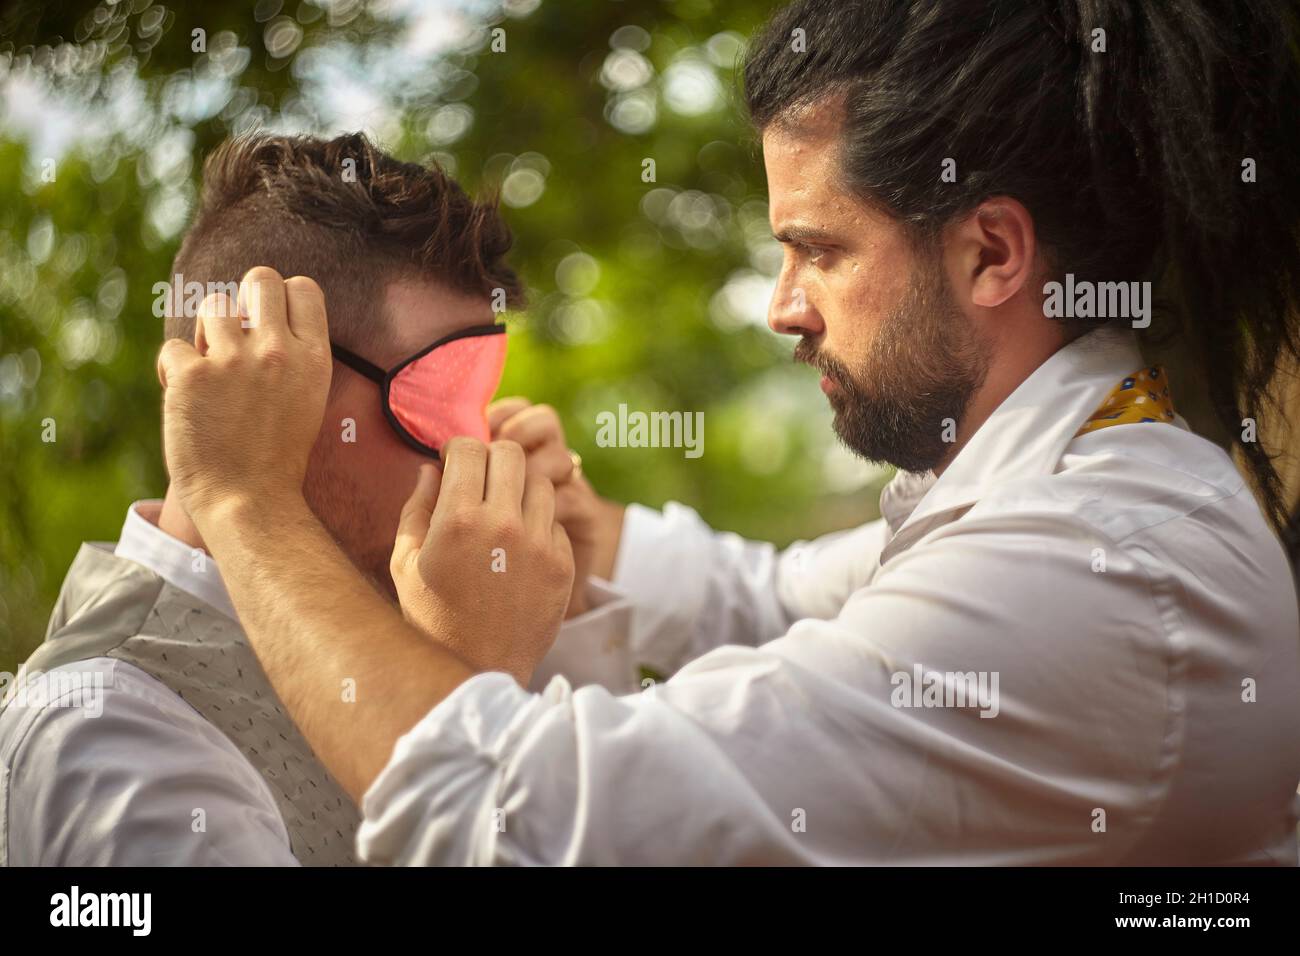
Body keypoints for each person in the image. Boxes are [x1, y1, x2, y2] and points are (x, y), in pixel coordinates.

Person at [156, 0, 1300, 864]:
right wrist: (590, 532)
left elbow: (512, 813)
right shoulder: (1062, 476)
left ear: (992, 252)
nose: (782, 304)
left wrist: (250, 502)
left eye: (822, 249)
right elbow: (777, 599)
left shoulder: (1091, 563)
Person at [0, 133, 623, 866]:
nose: (478, 448)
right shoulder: (108, 732)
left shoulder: (410, 615)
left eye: (477, 396)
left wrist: (567, 616)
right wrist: (467, 700)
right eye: (435, 395)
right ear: (251, 377)